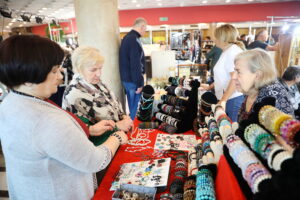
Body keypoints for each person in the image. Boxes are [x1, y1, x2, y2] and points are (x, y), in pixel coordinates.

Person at [0, 35, 128, 200]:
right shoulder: (46, 120)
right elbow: (95, 161)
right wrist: (117, 136)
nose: (60, 77)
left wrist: (90, 129)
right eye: (54, 71)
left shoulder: (10, 102)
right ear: (28, 78)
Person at [63, 46, 133, 145]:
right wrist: (118, 126)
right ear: (79, 69)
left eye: (100, 68)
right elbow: (82, 133)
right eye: (93, 70)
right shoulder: (73, 94)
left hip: (119, 140)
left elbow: (113, 105)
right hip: (103, 149)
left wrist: (124, 117)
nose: (99, 74)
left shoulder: (95, 83)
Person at [233, 48, 294, 123]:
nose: (233, 77)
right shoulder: (251, 90)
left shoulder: (273, 96)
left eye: (238, 72)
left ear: (258, 75)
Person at [204, 24, 245, 122]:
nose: (214, 39)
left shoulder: (232, 52)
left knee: (230, 129)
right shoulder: (226, 51)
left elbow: (235, 79)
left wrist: (223, 100)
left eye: (216, 36)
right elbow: (223, 76)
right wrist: (209, 87)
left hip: (232, 99)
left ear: (222, 38)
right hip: (228, 98)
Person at [119, 17, 147, 120]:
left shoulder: (127, 38)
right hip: (133, 80)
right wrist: (139, 83)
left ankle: (131, 127)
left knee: (132, 106)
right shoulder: (134, 39)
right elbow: (135, 63)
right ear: (142, 26)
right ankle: (132, 129)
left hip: (128, 79)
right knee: (135, 108)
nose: (145, 31)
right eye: (145, 29)